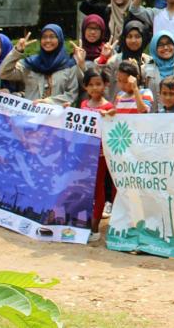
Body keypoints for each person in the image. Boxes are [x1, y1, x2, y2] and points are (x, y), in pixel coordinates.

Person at [0, 25, 80, 107]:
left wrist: (49, 102)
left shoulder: (69, 65)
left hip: (56, 117)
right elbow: (4, 73)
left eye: (52, 37)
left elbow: (72, 94)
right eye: (44, 37)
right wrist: (17, 51)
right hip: (30, 115)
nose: (47, 40)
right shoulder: (30, 63)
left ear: (59, 39)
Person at [80, 68, 113, 242]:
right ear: (85, 87)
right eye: (91, 85)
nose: (94, 88)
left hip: (100, 155)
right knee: (85, 188)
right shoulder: (83, 105)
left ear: (105, 85)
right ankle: (83, 221)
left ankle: (95, 226)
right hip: (84, 153)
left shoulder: (109, 107)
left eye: (98, 84)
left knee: (98, 188)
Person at [93, 20, 150, 100]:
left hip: (142, 108)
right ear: (124, 38)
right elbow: (100, 82)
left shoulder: (149, 61)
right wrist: (103, 59)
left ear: (143, 38)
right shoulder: (114, 61)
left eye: (137, 36)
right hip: (118, 108)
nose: (133, 40)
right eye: (129, 36)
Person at [143, 30, 174, 113]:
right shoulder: (145, 70)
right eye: (160, 45)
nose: (166, 47)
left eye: (169, 43)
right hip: (151, 122)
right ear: (154, 48)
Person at [79, 0, 146, 41]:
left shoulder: (135, 12)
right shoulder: (106, 10)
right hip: (107, 50)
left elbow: (144, 33)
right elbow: (84, 7)